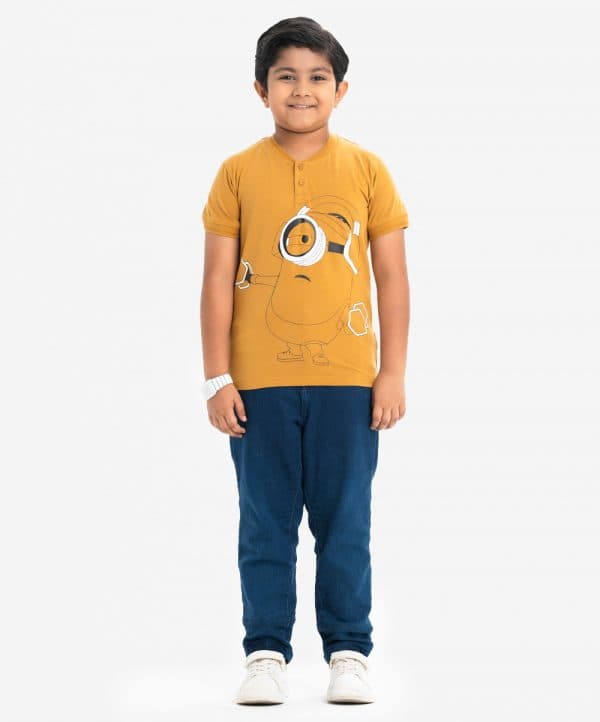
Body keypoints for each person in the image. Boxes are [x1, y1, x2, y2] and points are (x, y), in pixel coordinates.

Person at [200, 16, 410, 705]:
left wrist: (391, 372)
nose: (301, 89)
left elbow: (391, 278)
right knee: (265, 522)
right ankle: (265, 652)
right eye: (285, 76)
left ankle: (349, 651)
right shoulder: (237, 173)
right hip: (257, 386)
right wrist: (217, 377)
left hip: (348, 385)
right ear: (260, 89)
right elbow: (217, 279)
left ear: (341, 90)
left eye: (318, 77)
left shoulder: (367, 170)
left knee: (344, 521)